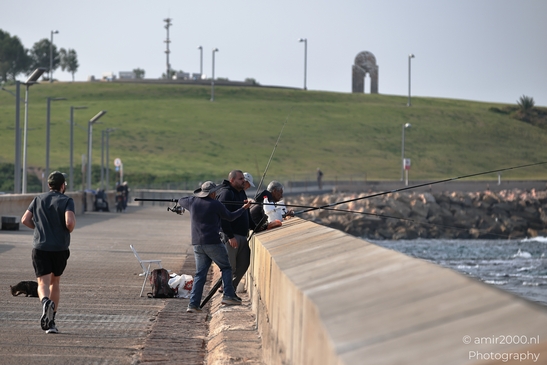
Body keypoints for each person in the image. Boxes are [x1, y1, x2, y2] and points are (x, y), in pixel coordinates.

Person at [178, 181, 252, 313]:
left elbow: (181, 200)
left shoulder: (192, 202)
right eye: (215, 192)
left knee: (200, 274)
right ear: (212, 193)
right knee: (226, 267)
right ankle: (228, 295)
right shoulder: (216, 204)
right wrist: (244, 208)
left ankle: (193, 304)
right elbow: (230, 217)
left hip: (197, 244)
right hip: (212, 242)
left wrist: (197, 195)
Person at [21, 171, 76, 334]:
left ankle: (45, 302)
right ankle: (51, 322)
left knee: (42, 283)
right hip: (59, 248)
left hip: (40, 247)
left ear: (49, 185)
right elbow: (70, 222)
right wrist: (68, 230)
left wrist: (39, 229)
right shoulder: (67, 201)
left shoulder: (38, 199)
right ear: (62, 185)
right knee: (55, 283)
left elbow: (25, 219)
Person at [216, 170, 251, 294]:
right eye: (240, 179)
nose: (244, 181)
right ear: (232, 180)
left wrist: (259, 226)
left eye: (243, 179)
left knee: (244, 263)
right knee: (230, 266)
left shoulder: (241, 193)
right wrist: (230, 236)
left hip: (242, 235)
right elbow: (223, 217)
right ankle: (227, 293)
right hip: (231, 236)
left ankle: (231, 288)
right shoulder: (226, 193)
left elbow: (246, 213)